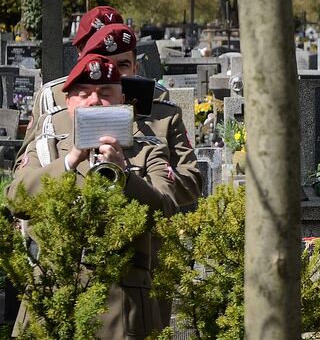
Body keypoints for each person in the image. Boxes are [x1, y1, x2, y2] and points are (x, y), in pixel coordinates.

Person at [7, 53, 179, 339]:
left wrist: (125, 172)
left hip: (124, 303)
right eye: (83, 93)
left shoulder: (149, 150)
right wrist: (69, 161)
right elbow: (17, 201)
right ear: (69, 103)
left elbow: (166, 210)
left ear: (121, 100)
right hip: (55, 293)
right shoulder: (45, 150)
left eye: (104, 93)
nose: (94, 101)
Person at [24, 23, 201, 210]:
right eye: (103, 63)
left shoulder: (159, 124)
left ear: (135, 68)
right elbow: (19, 195)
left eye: (121, 65)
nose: (111, 71)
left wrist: (142, 182)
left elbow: (182, 189)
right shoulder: (52, 122)